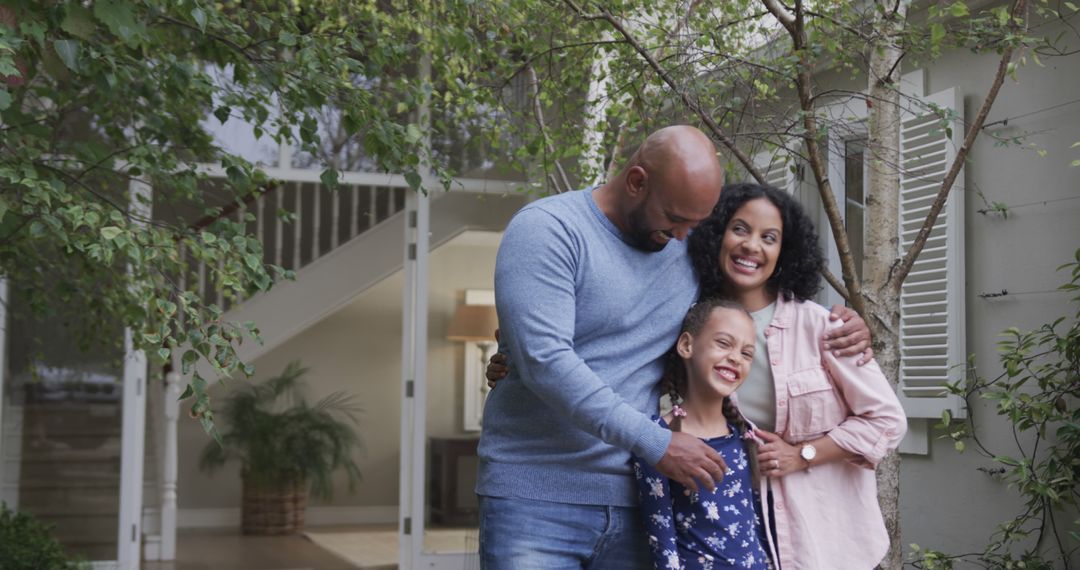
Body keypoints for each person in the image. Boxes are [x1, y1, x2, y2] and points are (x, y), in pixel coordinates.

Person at [478, 125, 871, 569]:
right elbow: (544, 359)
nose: (685, 236)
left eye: (696, 224)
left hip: (641, 498)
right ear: (636, 182)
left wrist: (841, 323)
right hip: (536, 498)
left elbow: (747, 301)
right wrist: (657, 442)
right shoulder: (548, 229)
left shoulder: (683, 249)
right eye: (675, 218)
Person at [685, 182, 907, 569]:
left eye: (769, 237)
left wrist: (803, 455)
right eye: (740, 229)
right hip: (731, 533)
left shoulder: (823, 327)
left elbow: (887, 421)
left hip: (826, 539)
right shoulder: (691, 326)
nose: (752, 246)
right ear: (717, 234)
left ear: (784, 252)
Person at [632, 299, 771, 570]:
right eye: (723, 343)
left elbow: (757, 528)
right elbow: (662, 542)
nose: (735, 357)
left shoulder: (746, 436)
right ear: (687, 345)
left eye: (746, 353)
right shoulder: (658, 438)